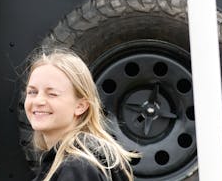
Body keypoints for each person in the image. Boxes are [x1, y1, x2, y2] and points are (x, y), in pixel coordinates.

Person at [23, 48, 138, 181]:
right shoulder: (75, 161)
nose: (38, 101)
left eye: (52, 94)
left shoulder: (77, 167)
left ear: (80, 106)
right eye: (32, 92)